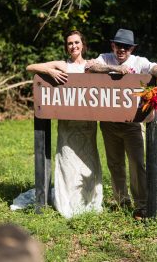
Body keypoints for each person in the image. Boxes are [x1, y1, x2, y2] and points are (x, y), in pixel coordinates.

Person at [86, 28, 157, 220]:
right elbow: (90, 67)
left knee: (136, 164)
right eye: (118, 45)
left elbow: (154, 66)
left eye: (126, 47)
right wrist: (114, 69)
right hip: (108, 122)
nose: (121, 50)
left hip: (133, 123)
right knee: (115, 163)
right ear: (113, 46)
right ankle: (121, 200)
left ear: (132, 48)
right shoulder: (105, 58)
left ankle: (141, 205)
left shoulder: (138, 61)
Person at [26, 30, 103, 218]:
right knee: (68, 163)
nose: (73, 46)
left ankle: (88, 200)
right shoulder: (62, 64)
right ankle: (67, 201)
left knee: (88, 163)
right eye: (70, 43)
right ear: (66, 47)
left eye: (77, 42)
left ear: (83, 44)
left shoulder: (91, 65)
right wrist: (50, 70)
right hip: (67, 126)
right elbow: (30, 67)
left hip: (87, 125)